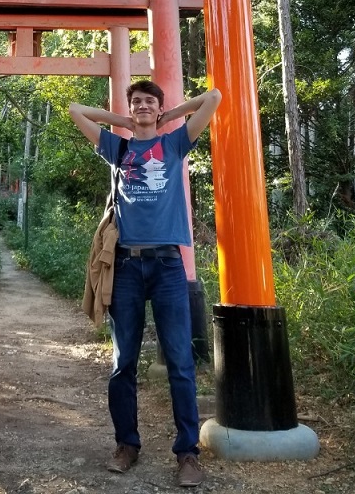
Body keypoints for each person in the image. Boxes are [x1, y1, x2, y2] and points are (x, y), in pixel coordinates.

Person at [69, 80, 221, 489]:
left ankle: (187, 453)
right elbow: (74, 109)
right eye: (136, 102)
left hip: (168, 265)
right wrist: (125, 121)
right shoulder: (117, 150)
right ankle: (126, 445)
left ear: (161, 108)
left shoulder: (175, 144)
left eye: (148, 102)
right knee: (123, 363)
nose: (142, 106)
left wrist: (166, 116)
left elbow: (213, 98)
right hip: (127, 267)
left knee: (180, 362)